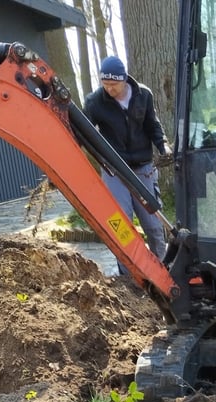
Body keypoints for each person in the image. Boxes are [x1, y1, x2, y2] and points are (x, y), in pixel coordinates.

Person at [84, 56, 172, 269]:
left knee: (152, 224)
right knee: (122, 225)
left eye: (113, 84)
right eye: (105, 84)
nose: (109, 89)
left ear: (124, 80)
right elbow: (82, 133)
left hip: (143, 168)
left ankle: (163, 268)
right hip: (114, 171)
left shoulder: (143, 95)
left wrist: (164, 146)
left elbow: (153, 125)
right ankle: (129, 276)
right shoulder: (95, 102)